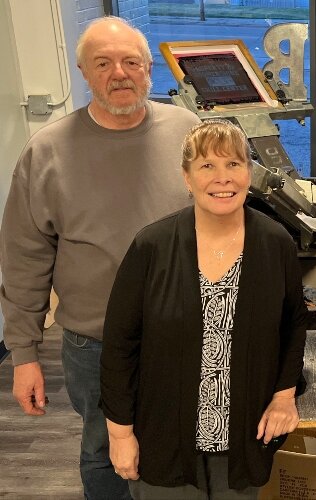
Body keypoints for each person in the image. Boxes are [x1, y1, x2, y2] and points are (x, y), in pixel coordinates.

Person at [0, 16, 200, 500]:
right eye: (103, 63)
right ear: (83, 74)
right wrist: (24, 354)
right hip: (94, 342)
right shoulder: (46, 152)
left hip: (184, 334)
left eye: (131, 61)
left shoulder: (189, 132)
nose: (119, 73)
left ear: (149, 69)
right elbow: (24, 259)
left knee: (183, 445)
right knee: (101, 450)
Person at [99, 119, 307, 499]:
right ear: (187, 178)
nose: (222, 178)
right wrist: (120, 433)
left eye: (234, 164)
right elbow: (118, 348)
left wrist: (283, 396)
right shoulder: (152, 246)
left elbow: (293, 326)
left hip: (244, 439)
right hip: (164, 440)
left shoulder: (275, 243)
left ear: (249, 172)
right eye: (207, 166)